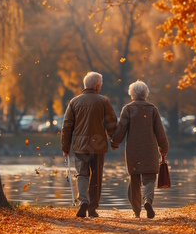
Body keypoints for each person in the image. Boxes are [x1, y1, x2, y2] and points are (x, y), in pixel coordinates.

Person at [61, 71, 118, 218]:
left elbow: (67, 126)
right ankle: (92, 208)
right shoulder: (103, 101)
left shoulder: (74, 102)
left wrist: (65, 147)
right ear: (97, 86)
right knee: (96, 176)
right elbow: (111, 122)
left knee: (82, 174)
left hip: (80, 146)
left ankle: (83, 201)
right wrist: (114, 140)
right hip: (98, 146)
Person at [111, 80, 169, 219]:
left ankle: (136, 211)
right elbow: (160, 131)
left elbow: (121, 129)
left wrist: (115, 142)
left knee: (134, 181)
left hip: (133, 151)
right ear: (146, 93)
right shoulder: (152, 109)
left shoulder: (128, 109)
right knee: (149, 180)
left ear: (132, 94)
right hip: (150, 150)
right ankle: (147, 201)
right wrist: (164, 148)